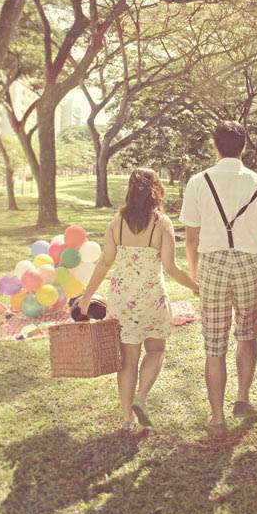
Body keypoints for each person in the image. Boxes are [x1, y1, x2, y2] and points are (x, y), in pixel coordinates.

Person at [179, 120, 257, 436]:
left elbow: (191, 238)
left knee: (214, 344)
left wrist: (194, 273)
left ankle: (216, 418)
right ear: (244, 147)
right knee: (247, 334)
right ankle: (243, 399)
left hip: (212, 266)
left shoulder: (198, 182)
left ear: (215, 146)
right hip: (248, 265)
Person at [78, 168, 198, 431]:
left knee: (128, 361)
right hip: (152, 300)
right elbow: (171, 267)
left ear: (130, 191)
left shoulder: (117, 222)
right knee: (156, 350)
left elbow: (104, 262)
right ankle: (140, 398)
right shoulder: (161, 223)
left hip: (123, 300)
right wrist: (195, 287)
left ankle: (127, 419)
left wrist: (87, 296)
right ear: (157, 190)